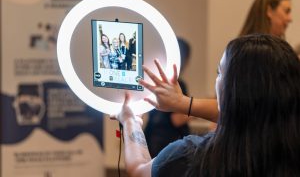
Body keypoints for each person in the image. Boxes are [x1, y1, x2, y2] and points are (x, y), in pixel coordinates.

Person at [111, 34, 300, 177]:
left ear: (230, 90)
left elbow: (138, 170)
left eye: (220, 73)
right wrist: (183, 103)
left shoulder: (189, 157)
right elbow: (253, 112)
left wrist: (130, 120)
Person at [144, 37, 191, 158]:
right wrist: (199, 111)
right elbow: (177, 119)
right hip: (167, 143)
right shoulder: (177, 85)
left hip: (152, 138)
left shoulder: (158, 82)